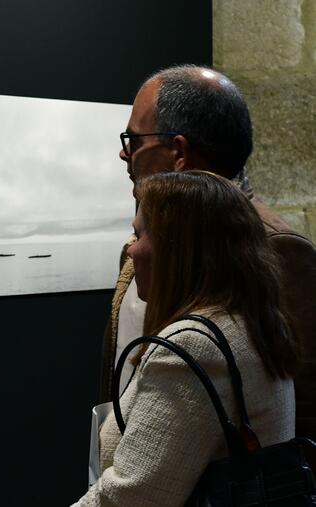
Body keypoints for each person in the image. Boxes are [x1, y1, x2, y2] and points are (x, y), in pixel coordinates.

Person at [98, 65, 316, 450]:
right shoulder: (144, 242)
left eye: (133, 139)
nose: (123, 152)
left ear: (178, 153)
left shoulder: (278, 247)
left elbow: (303, 410)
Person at [74, 170, 298, 506]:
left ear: (175, 247)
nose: (131, 251)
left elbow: (133, 498)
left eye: (138, 235)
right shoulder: (254, 322)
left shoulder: (192, 347)